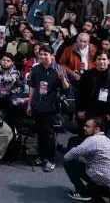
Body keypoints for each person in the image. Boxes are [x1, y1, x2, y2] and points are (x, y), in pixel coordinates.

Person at [27, 44, 70, 172]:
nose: (43, 56)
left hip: (50, 106)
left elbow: (67, 89)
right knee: (39, 132)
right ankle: (41, 156)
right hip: (36, 105)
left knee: (49, 134)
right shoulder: (35, 69)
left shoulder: (59, 69)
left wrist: (62, 79)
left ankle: (51, 159)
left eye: (46, 54)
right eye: (41, 54)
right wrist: (29, 104)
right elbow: (32, 87)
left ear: (52, 55)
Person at [63, 117, 110, 201]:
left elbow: (74, 152)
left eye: (87, 126)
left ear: (96, 129)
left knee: (68, 162)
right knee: (92, 185)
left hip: (99, 175)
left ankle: (82, 192)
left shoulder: (92, 140)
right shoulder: (107, 139)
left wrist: (65, 156)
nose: (84, 128)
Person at [76, 51, 110, 130]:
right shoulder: (87, 75)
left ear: (109, 60)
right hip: (88, 112)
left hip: (105, 115)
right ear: (95, 61)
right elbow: (79, 93)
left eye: (104, 59)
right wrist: (80, 110)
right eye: (99, 59)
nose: (101, 61)